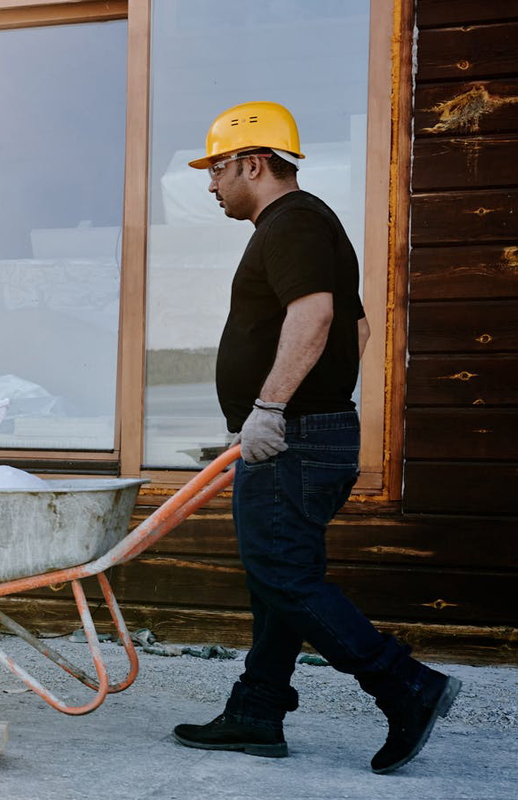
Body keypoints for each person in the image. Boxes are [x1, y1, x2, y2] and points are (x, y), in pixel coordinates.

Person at [170, 101, 458, 774]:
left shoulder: (293, 222)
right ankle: (257, 709)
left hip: (290, 436)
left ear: (254, 161)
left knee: (283, 574)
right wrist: (316, 403)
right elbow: (355, 330)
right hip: (309, 432)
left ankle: (405, 685)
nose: (211, 184)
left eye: (217, 169)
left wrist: (272, 407)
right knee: (280, 577)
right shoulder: (312, 224)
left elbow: (319, 314)